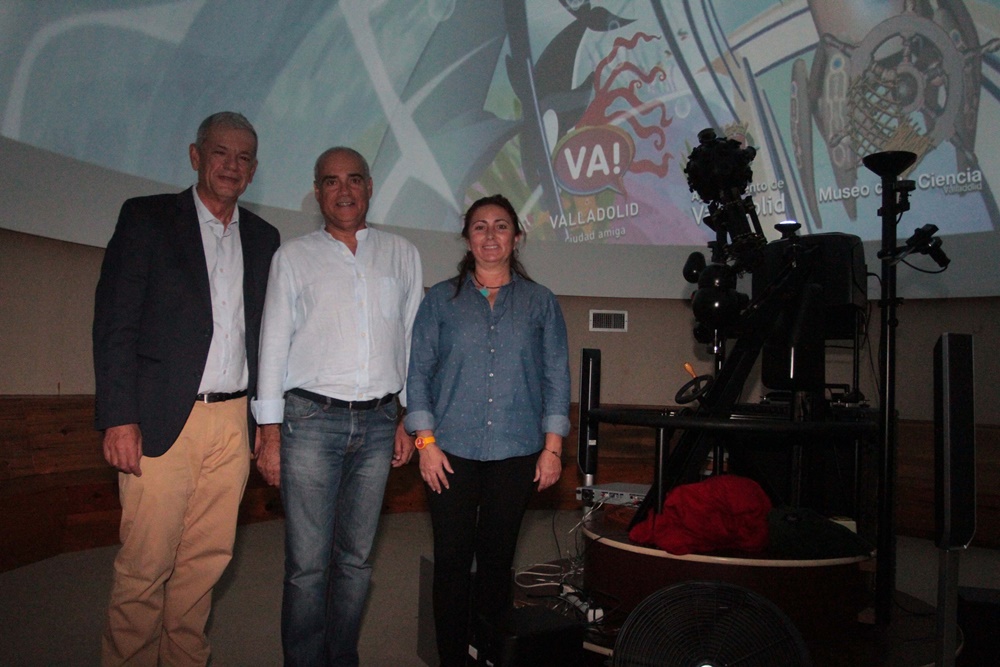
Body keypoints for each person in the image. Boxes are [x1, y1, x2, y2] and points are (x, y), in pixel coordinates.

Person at [93, 111, 280, 666]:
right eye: (220, 152)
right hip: (159, 420)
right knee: (145, 567)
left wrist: (266, 423)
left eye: (244, 158)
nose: (232, 165)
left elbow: (267, 337)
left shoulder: (265, 238)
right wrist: (118, 417)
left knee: (205, 565)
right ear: (196, 156)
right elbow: (115, 324)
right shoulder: (147, 218)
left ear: (253, 171)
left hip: (234, 423)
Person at [253, 146, 423, 666]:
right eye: (331, 181)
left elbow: (413, 342)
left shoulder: (402, 254)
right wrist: (269, 432)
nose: (344, 190)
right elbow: (272, 344)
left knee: (356, 562)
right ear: (317, 191)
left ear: (370, 186)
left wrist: (409, 417)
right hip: (309, 422)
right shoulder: (293, 257)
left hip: (380, 423)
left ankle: (341, 657)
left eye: (354, 179)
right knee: (308, 566)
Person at [404, 194, 571, 667]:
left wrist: (552, 449)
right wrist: (425, 444)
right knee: (452, 564)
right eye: (480, 226)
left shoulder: (540, 302)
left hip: (517, 452)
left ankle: (490, 656)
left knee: (498, 566)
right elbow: (418, 375)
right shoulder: (440, 300)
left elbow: (556, 377)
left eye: (501, 226)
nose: (490, 235)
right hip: (448, 453)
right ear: (467, 238)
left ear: (517, 237)